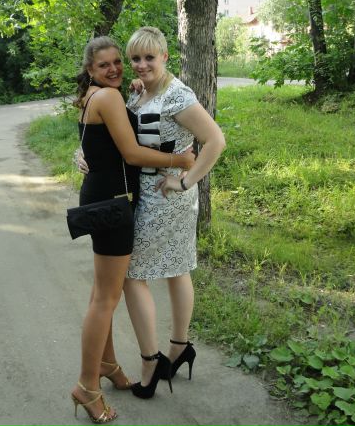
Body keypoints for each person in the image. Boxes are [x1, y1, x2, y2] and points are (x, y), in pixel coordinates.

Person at [70, 36, 196, 424]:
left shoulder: (95, 95)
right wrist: (181, 160)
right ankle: (87, 386)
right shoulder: (108, 97)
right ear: (90, 69)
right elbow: (131, 153)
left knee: (100, 293)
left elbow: (98, 144)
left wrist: (136, 93)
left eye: (117, 63)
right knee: (104, 300)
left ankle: (107, 363)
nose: (114, 69)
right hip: (113, 204)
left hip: (100, 198)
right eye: (104, 65)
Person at [122, 26, 226, 399]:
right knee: (177, 268)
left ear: (165, 56)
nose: (141, 64)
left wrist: (185, 181)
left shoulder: (177, 95)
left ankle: (152, 361)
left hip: (166, 196)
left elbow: (215, 140)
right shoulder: (142, 91)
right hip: (148, 192)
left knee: (132, 274)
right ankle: (179, 347)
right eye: (136, 58)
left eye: (149, 57)